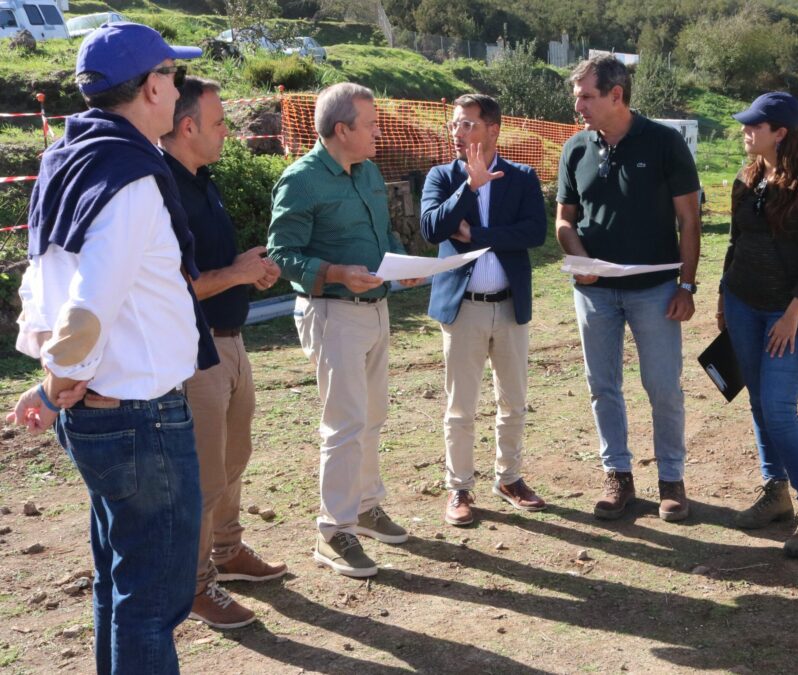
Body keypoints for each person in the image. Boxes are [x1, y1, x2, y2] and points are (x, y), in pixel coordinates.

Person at [7, 22, 212, 674]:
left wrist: (54, 377)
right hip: (139, 416)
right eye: (173, 77)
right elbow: (88, 310)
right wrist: (61, 374)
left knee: (123, 587)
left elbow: (40, 278)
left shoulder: (69, 158)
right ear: (153, 87)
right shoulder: (130, 180)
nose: (177, 89)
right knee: (153, 601)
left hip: (100, 412)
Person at [267, 83, 422, 578]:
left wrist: (403, 264)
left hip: (376, 309)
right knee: (345, 424)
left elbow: (384, 235)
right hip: (333, 313)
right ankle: (333, 531)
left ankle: (365, 508)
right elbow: (281, 256)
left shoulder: (370, 171)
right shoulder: (301, 180)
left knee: (372, 416)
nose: (379, 131)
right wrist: (336, 272)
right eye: (371, 124)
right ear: (342, 130)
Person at [160, 76, 287, 629]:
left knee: (234, 459)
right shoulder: (160, 187)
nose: (227, 131)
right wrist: (234, 273)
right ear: (186, 127)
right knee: (206, 474)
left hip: (232, 341)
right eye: (218, 122)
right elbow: (169, 282)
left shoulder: (201, 179)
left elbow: (208, 266)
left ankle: (228, 552)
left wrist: (245, 269)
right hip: (194, 353)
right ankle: (194, 586)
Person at [555, 54, 701, 522]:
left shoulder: (664, 142)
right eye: (577, 96)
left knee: (662, 386)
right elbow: (563, 220)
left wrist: (687, 285)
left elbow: (690, 219)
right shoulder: (575, 148)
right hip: (594, 293)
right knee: (603, 386)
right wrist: (580, 260)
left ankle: (671, 480)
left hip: (655, 291)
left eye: (586, 96)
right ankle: (617, 475)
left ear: (617, 95)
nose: (578, 105)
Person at [719, 92, 798, 558]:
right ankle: (777, 493)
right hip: (743, 304)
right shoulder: (746, 176)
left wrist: (794, 313)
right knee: (757, 400)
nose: (745, 131)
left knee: (778, 406)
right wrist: (721, 301)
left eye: (754, 125)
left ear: (781, 132)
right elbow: (735, 243)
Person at [420, 94, 548, 527]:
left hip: (509, 307)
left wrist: (478, 234)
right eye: (455, 125)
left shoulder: (523, 177)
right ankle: (459, 487)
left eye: (469, 125)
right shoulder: (441, 176)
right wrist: (468, 188)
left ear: (494, 129)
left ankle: (509, 478)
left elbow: (533, 232)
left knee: (513, 401)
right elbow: (432, 227)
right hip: (463, 309)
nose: (458, 133)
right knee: (461, 407)